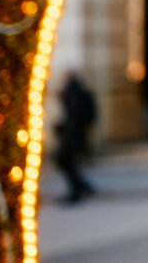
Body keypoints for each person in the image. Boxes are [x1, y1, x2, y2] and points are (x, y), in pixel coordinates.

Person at [55, 71, 97, 204]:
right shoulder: (80, 92)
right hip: (76, 134)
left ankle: (77, 190)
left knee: (65, 162)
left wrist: (67, 132)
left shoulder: (73, 93)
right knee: (69, 163)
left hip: (72, 135)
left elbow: (74, 115)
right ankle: (82, 187)